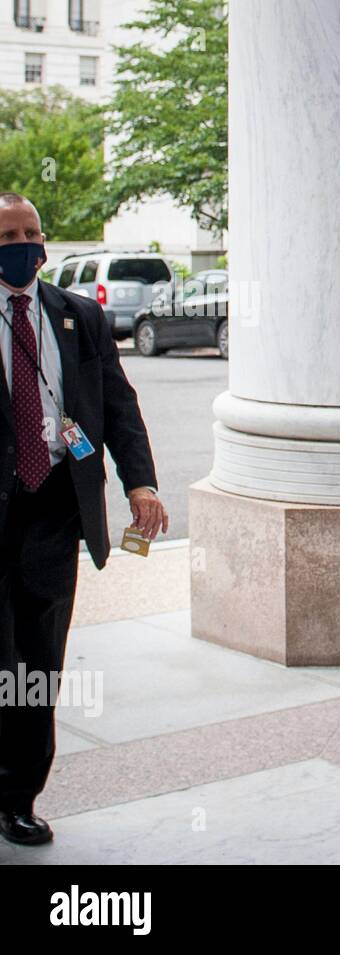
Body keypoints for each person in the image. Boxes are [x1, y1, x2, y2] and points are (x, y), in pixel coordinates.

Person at [0, 192, 167, 847]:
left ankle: (19, 794)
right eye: (8, 233)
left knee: (38, 664)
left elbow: (118, 407)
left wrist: (142, 482)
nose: (23, 242)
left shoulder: (79, 319)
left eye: (31, 231)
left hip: (51, 517)